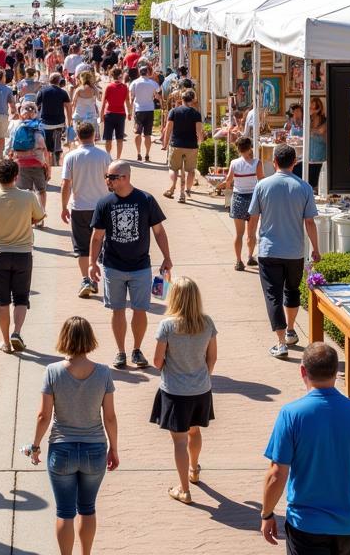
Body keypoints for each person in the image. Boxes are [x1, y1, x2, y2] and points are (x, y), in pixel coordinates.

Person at [261, 343, 350, 554]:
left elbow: (277, 474)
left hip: (306, 527)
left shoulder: (291, 414)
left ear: (303, 371)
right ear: (336, 371)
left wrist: (266, 514)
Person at [29, 317, 119, 555]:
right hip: (95, 449)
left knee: (64, 512)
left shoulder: (53, 371)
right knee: (87, 508)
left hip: (61, 449)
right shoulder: (103, 373)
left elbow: (43, 416)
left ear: (64, 338)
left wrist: (35, 446)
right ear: (90, 339)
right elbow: (109, 416)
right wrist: (114, 448)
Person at [88, 161, 172, 370]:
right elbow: (97, 237)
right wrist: (92, 263)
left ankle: (136, 349)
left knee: (140, 310)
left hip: (141, 266)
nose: (107, 180)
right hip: (113, 266)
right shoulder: (104, 203)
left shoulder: (145, 200)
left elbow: (159, 231)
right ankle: (121, 352)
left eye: (111, 177)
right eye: (107, 176)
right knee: (117, 310)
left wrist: (167, 257)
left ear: (124, 178)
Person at [249, 144, 320, 359]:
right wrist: (316, 249)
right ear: (295, 163)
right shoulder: (304, 187)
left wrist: (250, 240)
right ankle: (290, 330)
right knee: (292, 291)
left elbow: (253, 218)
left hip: (269, 250)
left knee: (273, 295)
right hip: (295, 251)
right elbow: (309, 222)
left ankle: (281, 343)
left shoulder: (262, 186)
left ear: (274, 162)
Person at [150, 276, 217, 504]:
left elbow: (157, 361)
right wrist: (202, 375)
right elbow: (212, 357)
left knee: (179, 441)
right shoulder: (207, 323)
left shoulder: (167, 325)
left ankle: (184, 489)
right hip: (200, 389)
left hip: (175, 391)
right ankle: (194, 469)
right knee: (194, 431)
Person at [0, 157, 46, 353]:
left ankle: (5, 342)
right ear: (16, 176)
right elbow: (39, 216)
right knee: (21, 298)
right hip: (23, 254)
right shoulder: (28, 197)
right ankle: (16, 332)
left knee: (2, 301)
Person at [60, 122, 112, 299]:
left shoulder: (71, 157)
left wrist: (63, 207)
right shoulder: (104, 156)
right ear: (94, 135)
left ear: (77, 135)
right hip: (102, 206)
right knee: (102, 244)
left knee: (82, 248)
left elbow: (66, 184)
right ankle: (101, 278)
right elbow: (111, 181)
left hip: (80, 207)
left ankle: (87, 280)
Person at [223, 135, 265, 271]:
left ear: (238, 148)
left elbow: (228, 180)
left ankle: (238, 261)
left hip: (238, 198)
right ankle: (250, 257)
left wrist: (228, 187)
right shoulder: (257, 163)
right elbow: (262, 182)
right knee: (251, 233)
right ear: (250, 148)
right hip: (253, 198)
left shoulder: (234, 163)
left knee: (238, 234)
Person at [6, 98, 50, 222]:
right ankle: (40, 216)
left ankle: (25, 217)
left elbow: (10, 150)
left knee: (24, 192)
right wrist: (48, 168)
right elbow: (46, 152)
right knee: (41, 191)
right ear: (36, 113)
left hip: (20, 165)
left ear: (21, 113)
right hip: (37, 164)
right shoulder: (39, 129)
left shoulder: (16, 127)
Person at [162, 89, 203, 203]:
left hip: (176, 144)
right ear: (193, 99)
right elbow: (199, 132)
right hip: (191, 146)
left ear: (182, 99)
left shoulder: (174, 111)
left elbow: (168, 129)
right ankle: (187, 190)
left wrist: (165, 144)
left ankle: (173, 186)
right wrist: (200, 142)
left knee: (173, 168)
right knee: (191, 170)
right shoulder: (196, 113)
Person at [36, 73, 72, 167]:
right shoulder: (63, 92)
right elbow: (68, 107)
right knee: (57, 142)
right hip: (59, 123)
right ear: (59, 81)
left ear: (49, 80)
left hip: (45, 123)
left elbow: (36, 106)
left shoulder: (43, 91)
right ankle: (55, 162)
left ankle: (48, 163)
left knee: (47, 144)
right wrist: (69, 121)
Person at [128, 65, 161, 162]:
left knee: (137, 132)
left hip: (138, 109)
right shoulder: (153, 83)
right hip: (149, 109)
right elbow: (158, 94)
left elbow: (131, 97)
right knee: (147, 134)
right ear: (147, 73)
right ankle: (147, 154)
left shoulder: (134, 82)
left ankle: (138, 153)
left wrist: (129, 111)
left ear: (139, 72)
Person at [99, 67, 130, 159]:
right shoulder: (125, 87)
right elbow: (127, 101)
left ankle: (108, 156)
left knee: (108, 138)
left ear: (112, 75)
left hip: (109, 114)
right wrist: (130, 112)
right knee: (119, 138)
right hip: (121, 114)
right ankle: (118, 157)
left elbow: (103, 102)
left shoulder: (108, 87)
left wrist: (101, 116)